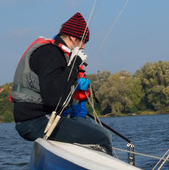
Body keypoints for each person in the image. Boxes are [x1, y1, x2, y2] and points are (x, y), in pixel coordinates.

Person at [12, 12, 113, 154]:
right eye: (83, 42)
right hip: (34, 121)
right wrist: (74, 65)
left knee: (105, 135)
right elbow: (53, 98)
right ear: (72, 38)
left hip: (43, 118)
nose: (84, 47)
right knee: (101, 139)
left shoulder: (58, 54)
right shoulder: (51, 54)